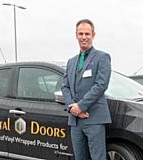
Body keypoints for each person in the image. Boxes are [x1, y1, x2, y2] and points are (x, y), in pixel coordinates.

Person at [61, 19, 111, 160]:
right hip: (75, 120)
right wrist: (73, 109)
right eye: (81, 33)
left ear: (93, 35)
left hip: (94, 118)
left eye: (87, 34)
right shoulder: (71, 62)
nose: (84, 37)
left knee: (97, 157)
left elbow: (101, 84)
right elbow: (65, 86)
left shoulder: (102, 57)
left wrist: (81, 106)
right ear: (76, 35)